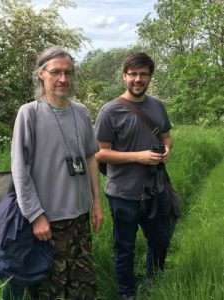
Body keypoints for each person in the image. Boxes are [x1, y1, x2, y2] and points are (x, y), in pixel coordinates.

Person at [11, 45, 104, 300]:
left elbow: (90, 158)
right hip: (48, 224)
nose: (63, 79)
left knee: (84, 287)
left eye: (68, 72)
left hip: (80, 218)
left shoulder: (82, 112)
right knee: (51, 291)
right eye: (56, 72)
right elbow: (20, 170)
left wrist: (96, 203)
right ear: (41, 74)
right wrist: (35, 216)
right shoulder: (29, 114)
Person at [94, 52, 173, 300]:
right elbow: (99, 154)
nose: (138, 79)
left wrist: (168, 149)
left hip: (156, 189)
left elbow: (166, 136)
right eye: (133, 74)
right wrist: (138, 157)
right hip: (123, 194)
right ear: (124, 76)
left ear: (150, 77)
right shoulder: (110, 111)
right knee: (124, 248)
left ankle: (154, 283)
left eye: (144, 74)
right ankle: (126, 293)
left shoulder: (157, 105)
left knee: (159, 241)